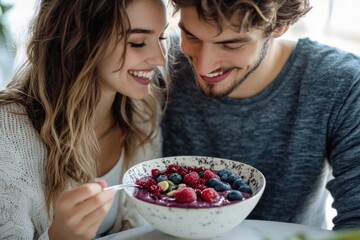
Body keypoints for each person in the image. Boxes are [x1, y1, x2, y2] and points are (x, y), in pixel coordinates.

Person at [162, 0, 360, 231]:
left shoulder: (342, 84)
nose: (204, 66)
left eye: (231, 45)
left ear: (279, 26)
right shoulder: (159, 63)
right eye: (192, 37)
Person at [0, 0, 169, 239]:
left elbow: (137, 222)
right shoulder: (6, 133)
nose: (160, 59)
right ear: (80, 41)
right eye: (138, 43)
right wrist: (57, 236)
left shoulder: (143, 111)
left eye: (162, 38)